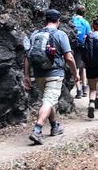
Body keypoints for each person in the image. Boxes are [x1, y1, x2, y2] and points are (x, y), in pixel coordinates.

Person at [23, 9, 80, 144]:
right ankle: (37, 130)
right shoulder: (60, 34)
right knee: (48, 101)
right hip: (54, 74)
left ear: (45, 20)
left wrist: (26, 75)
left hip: (38, 74)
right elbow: (69, 57)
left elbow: (27, 57)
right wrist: (75, 73)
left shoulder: (35, 34)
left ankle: (54, 126)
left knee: (48, 100)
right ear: (58, 21)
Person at [71, 5, 92, 99]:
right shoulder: (85, 23)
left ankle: (78, 90)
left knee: (75, 68)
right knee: (83, 68)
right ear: (84, 13)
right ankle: (84, 89)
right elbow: (89, 35)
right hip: (83, 47)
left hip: (73, 47)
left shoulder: (72, 20)